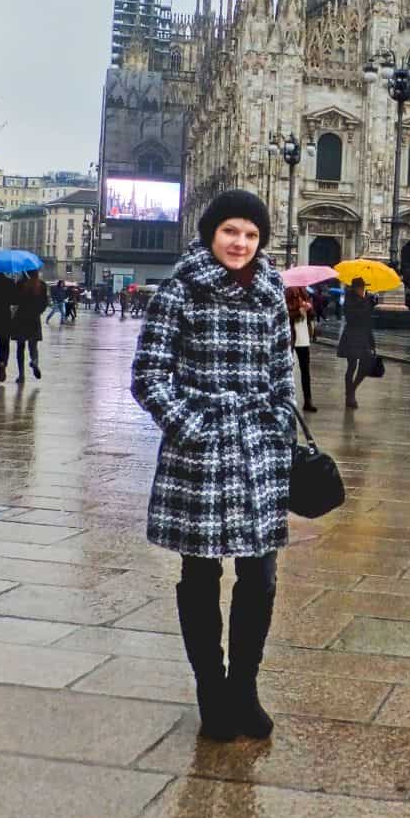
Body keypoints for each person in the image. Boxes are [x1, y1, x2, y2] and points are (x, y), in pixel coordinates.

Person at [131, 189, 295, 743]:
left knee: (260, 575)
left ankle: (243, 688)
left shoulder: (272, 290)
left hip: (258, 451)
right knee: (200, 573)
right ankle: (211, 689)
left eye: (251, 235)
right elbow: (148, 375)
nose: (241, 243)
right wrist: (192, 427)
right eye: (231, 231)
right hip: (199, 453)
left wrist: (277, 423)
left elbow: (281, 370)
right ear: (210, 233)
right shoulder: (178, 291)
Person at [337, 276, 375, 408]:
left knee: (366, 366)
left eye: (364, 287)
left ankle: (351, 389)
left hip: (364, 336)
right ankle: (350, 397)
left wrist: (372, 342)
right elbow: (354, 316)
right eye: (361, 287)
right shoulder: (349, 299)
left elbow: (368, 320)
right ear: (355, 288)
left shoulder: (366, 299)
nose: (363, 289)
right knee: (352, 366)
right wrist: (365, 302)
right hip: (352, 336)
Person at [12, 270, 48, 381]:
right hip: (34, 319)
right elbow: (45, 303)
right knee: (33, 346)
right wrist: (38, 312)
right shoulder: (41, 285)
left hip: (21, 318)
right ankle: (34, 361)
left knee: (20, 347)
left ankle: (21, 374)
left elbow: (14, 300)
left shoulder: (20, 284)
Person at [286, 287, 317, 411]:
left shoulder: (305, 294)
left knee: (306, 371)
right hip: (291, 337)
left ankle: (308, 401)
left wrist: (309, 309)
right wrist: (299, 311)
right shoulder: (286, 293)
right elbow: (284, 314)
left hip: (304, 337)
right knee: (288, 370)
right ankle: (287, 401)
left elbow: (312, 315)